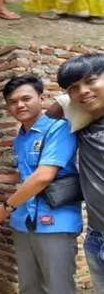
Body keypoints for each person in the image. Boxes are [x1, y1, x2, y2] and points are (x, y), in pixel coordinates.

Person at [0, 75, 81, 294]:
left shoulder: (58, 129)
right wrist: (2, 178)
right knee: (29, 286)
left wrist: (5, 208)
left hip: (55, 220)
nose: (19, 105)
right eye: (13, 102)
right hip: (23, 220)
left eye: (25, 98)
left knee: (57, 287)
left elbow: (44, 176)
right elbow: (28, 173)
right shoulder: (21, 137)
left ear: (42, 98)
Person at [56, 53, 104, 293]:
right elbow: (52, 111)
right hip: (96, 236)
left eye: (91, 80)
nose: (83, 91)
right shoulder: (81, 123)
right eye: (74, 87)